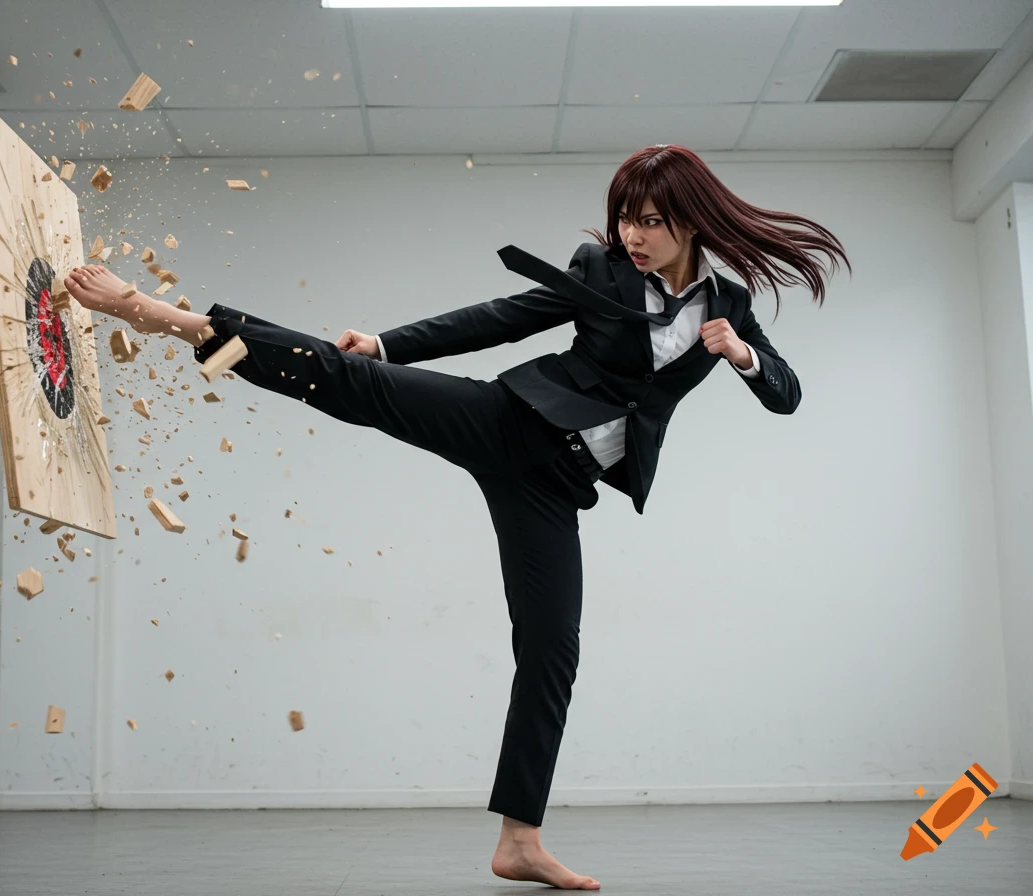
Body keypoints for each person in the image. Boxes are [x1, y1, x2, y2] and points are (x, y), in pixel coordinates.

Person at [61, 144, 850, 891]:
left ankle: (519, 842)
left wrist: (742, 356)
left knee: (552, 651)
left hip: (556, 485)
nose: (632, 235)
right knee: (349, 380)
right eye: (625, 218)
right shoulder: (600, 273)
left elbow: (787, 391)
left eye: (650, 221)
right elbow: (501, 317)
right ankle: (153, 311)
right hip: (509, 422)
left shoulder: (729, 307)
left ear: (692, 221)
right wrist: (389, 342)